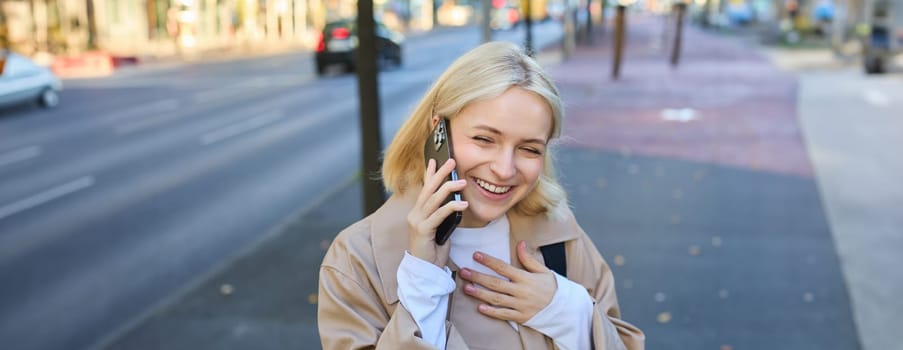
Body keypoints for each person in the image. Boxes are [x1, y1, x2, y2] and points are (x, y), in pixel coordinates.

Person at [317, 41, 644, 349]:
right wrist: (423, 287)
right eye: (485, 139)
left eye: (529, 148)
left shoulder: (561, 235)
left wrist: (568, 310)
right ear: (438, 131)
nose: (504, 169)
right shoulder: (357, 260)